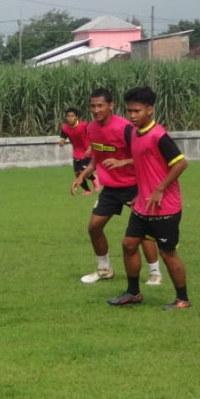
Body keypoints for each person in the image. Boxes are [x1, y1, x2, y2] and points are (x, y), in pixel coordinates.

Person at [106, 87, 190, 310]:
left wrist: (161, 188)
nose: (132, 115)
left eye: (137, 111)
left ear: (150, 110)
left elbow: (181, 163)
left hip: (165, 208)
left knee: (167, 253)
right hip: (143, 204)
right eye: (129, 111)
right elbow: (145, 159)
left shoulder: (159, 135)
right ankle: (133, 293)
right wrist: (123, 163)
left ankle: (183, 299)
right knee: (128, 244)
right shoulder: (135, 133)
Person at [71, 88, 162, 286]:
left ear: (111, 105)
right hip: (111, 189)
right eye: (93, 106)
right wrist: (83, 176)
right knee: (94, 227)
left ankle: (155, 273)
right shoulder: (91, 128)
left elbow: (143, 154)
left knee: (143, 230)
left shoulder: (125, 128)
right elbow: (98, 156)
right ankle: (104, 269)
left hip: (134, 186)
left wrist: (123, 163)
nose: (96, 110)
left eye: (100, 105)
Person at [58, 107, 93, 193]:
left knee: (83, 172)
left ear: (76, 117)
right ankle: (87, 190)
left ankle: (94, 179)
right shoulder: (65, 127)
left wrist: (90, 147)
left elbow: (93, 135)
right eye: (68, 116)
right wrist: (61, 141)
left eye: (72, 116)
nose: (70, 118)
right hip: (76, 153)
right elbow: (63, 136)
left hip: (87, 152)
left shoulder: (84, 125)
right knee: (77, 174)